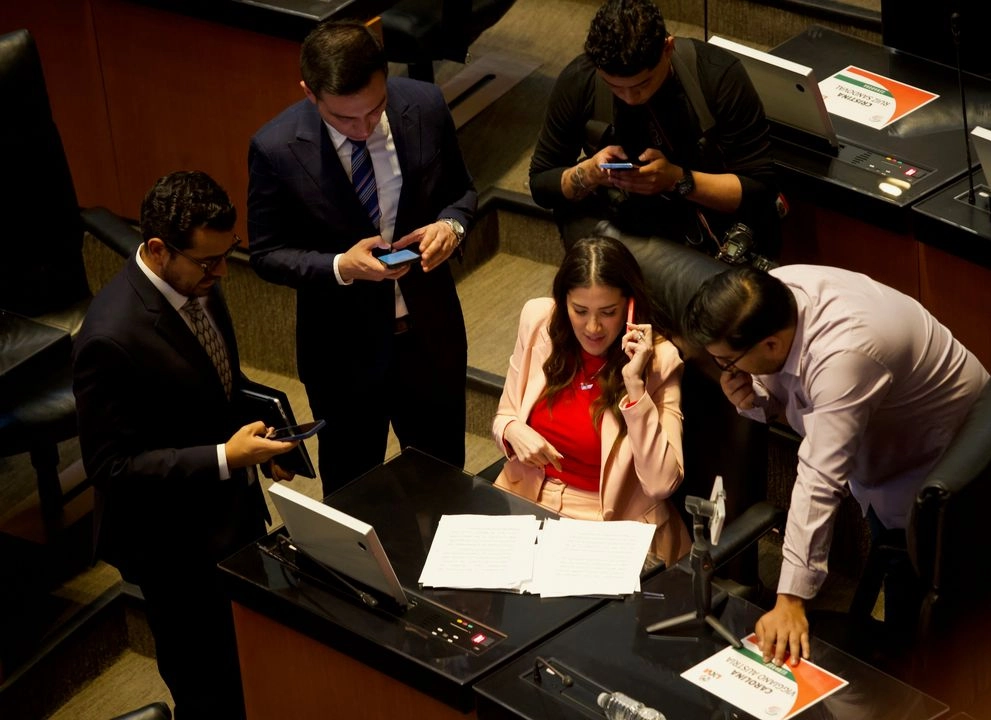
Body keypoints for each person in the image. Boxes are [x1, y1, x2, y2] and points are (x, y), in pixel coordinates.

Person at [682, 264, 990, 666]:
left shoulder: (846, 356)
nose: (727, 370)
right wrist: (753, 398)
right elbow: (793, 392)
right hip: (888, 449)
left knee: (922, 633)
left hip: (940, 462)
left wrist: (791, 599)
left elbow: (819, 480)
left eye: (727, 361)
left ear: (771, 345)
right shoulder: (771, 296)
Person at [73, 171, 298, 719]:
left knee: (252, 660)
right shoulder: (109, 337)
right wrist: (227, 457)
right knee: (207, 682)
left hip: (229, 514)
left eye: (229, 254)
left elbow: (219, 382)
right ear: (156, 248)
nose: (222, 272)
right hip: (171, 543)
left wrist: (266, 437)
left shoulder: (197, 283)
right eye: (208, 262)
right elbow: (111, 467)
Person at [247, 19, 476, 495]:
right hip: (342, 352)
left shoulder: (425, 104)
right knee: (357, 492)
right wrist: (338, 267)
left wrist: (451, 227)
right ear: (311, 94)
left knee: (444, 479)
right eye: (346, 120)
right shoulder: (275, 148)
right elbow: (267, 254)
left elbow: (461, 193)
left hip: (430, 336)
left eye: (375, 111)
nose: (365, 127)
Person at [492, 236, 691, 566]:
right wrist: (513, 430)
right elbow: (505, 414)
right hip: (526, 498)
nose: (593, 327)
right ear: (563, 301)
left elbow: (661, 483)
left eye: (608, 312)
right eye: (580, 311)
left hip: (604, 521)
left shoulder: (661, 360)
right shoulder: (538, 320)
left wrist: (635, 387)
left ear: (629, 306)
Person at [529, 0, 781, 258]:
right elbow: (541, 183)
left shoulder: (716, 76)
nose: (630, 97)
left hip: (716, 233)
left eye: (642, 83)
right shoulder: (580, 80)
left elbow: (759, 190)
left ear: (668, 48)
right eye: (614, 86)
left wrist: (676, 180)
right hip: (628, 224)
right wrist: (590, 172)